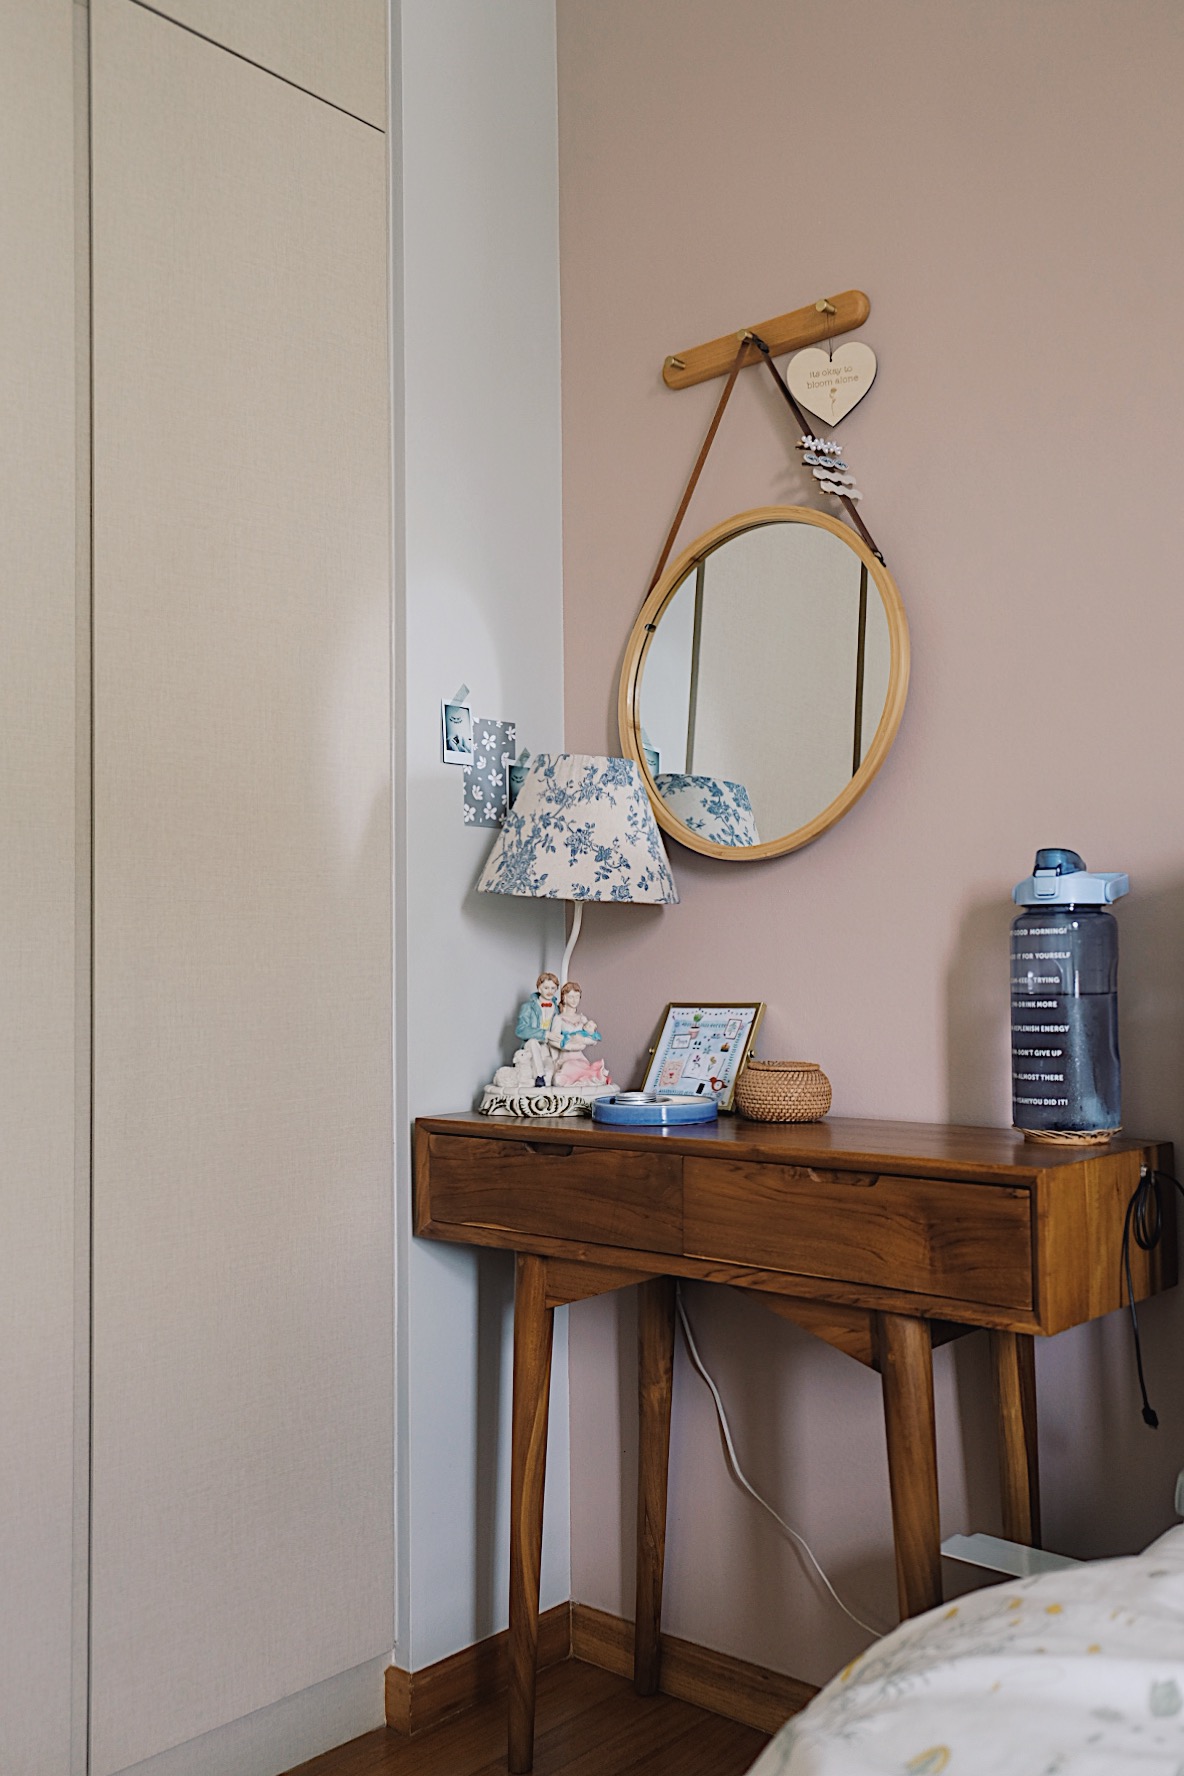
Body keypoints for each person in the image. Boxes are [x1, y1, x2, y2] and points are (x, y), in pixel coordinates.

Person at [547, 981, 611, 1088]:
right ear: (564, 998)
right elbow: (552, 1040)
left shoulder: (582, 1018)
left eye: (577, 996)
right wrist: (569, 1046)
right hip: (566, 1057)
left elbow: (592, 1038)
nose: (574, 1000)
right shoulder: (559, 1019)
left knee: (584, 1071)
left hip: (579, 1057)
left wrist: (583, 1041)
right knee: (561, 1077)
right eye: (571, 997)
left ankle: (596, 1077)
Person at [515, 971, 560, 1087]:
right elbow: (521, 1029)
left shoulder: (557, 1009)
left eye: (553, 988)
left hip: (547, 1047)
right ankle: (539, 1076)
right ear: (539, 988)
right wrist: (545, 1034)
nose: (550, 991)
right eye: (546, 988)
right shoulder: (528, 1007)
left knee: (550, 1072)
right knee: (533, 1042)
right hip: (531, 1045)